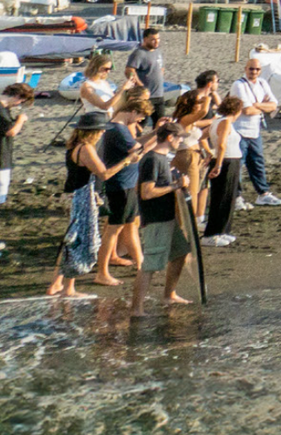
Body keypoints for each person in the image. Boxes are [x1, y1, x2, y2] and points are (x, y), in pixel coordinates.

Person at [46, 110, 152, 296]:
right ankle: (68, 288)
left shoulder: (74, 145)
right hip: (82, 198)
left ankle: (58, 283)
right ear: (93, 131)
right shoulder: (86, 148)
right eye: (101, 131)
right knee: (80, 242)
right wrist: (127, 161)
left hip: (76, 195)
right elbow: (104, 173)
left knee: (72, 241)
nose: (103, 133)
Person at [133, 119, 193, 310]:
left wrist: (177, 183)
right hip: (156, 219)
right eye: (178, 138)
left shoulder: (162, 159)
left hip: (167, 217)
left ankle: (169, 295)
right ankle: (136, 309)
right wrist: (176, 185)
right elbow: (146, 192)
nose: (180, 142)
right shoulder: (152, 160)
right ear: (169, 137)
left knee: (181, 252)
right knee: (150, 265)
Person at [97, 89, 151, 283]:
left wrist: (156, 133)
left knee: (129, 225)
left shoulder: (115, 127)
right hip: (121, 185)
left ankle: (140, 263)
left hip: (126, 184)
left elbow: (137, 145)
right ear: (133, 112)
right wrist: (159, 137)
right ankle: (102, 273)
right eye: (140, 118)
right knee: (114, 230)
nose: (138, 122)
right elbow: (139, 151)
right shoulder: (118, 129)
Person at [229, 56, 281, 206]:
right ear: (245, 69)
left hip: (255, 130)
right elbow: (246, 110)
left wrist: (257, 105)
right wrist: (262, 107)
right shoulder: (239, 85)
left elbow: (274, 105)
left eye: (257, 69)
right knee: (238, 164)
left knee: (257, 162)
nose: (254, 71)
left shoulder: (262, 83)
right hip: (239, 130)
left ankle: (263, 193)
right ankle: (236, 196)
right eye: (251, 69)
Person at [201, 94, 245, 246]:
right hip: (226, 161)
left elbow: (202, 137)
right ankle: (212, 233)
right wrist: (217, 163)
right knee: (222, 197)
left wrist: (209, 152)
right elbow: (221, 144)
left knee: (228, 196)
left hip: (229, 160)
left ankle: (223, 230)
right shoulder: (224, 122)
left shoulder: (218, 121)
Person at [0, 82, 29, 208]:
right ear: (16, 96)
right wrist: (20, 120)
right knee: (2, 184)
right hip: (1, 153)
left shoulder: (4, 108)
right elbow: (10, 131)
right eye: (21, 101)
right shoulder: (1, 109)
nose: (18, 104)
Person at [124, 28, 166, 101]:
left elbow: (160, 68)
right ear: (145, 39)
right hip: (145, 96)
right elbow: (129, 71)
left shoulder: (157, 51)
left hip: (159, 94)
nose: (157, 42)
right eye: (153, 40)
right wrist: (140, 86)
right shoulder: (139, 53)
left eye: (158, 39)